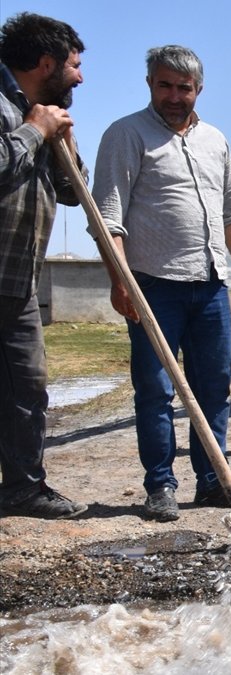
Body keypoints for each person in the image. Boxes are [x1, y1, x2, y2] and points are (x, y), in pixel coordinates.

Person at [91, 45, 231, 522]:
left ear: (198, 90)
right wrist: (119, 281)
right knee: (155, 389)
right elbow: (109, 218)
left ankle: (212, 483)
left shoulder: (216, 140)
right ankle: (161, 486)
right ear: (150, 84)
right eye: (164, 85)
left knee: (214, 388)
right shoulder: (127, 134)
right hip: (153, 286)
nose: (173, 95)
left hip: (210, 286)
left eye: (183, 88)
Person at [0, 13, 87, 519]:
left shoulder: (43, 112)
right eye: (75, 66)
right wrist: (34, 131)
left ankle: (23, 488)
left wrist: (64, 144)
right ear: (47, 62)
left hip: (18, 279)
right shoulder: (16, 113)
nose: (80, 77)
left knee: (27, 389)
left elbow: (76, 196)